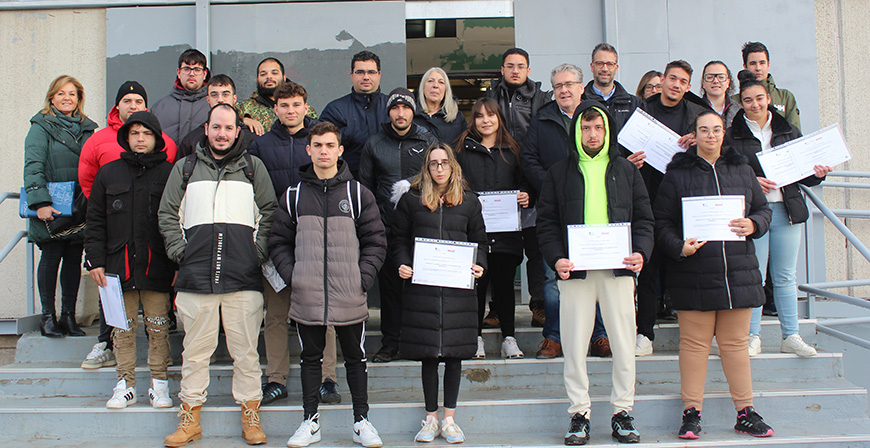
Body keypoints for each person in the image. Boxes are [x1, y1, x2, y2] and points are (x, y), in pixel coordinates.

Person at [159, 104, 277, 447]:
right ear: (206, 129)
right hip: (196, 277)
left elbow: (269, 212)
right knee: (194, 353)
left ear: (238, 131)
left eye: (228, 128)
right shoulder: (185, 168)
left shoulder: (253, 168)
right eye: (216, 127)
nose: (222, 133)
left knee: (246, 353)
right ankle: (190, 418)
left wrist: (255, 254)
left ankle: (250, 415)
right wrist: (180, 252)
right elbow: (167, 213)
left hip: (242, 278)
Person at [536, 101, 653, 445]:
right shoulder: (559, 172)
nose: (592, 134)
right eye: (585, 128)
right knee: (574, 345)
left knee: (624, 343)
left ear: (608, 131)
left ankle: (622, 411)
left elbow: (644, 219)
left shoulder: (626, 170)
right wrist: (556, 258)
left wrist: (641, 252)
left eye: (598, 127)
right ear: (576, 131)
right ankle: (579, 413)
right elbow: (546, 222)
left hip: (618, 271)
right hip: (576, 273)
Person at [654, 110, 774, 439]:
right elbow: (661, 222)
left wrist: (753, 224)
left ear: (724, 134)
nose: (710, 135)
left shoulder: (742, 169)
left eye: (716, 130)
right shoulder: (677, 175)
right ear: (693, 135)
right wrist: (679, 247)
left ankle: (745, 412)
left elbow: (763, 210)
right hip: (693, 272)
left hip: (738, 273)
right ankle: (691, 412)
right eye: (704, 130)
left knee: (735, 345)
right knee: (694, 345)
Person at [271, 121, 387, 448]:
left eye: (330, 145)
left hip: (349, 294)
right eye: (318, 145)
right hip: (307, 294)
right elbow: (278, 242)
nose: (324, 151)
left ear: (340, 150)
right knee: (310, 359)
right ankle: (310, 422)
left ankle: (361, 421)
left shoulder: (357, 194)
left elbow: (376, 241)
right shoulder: (293, 196)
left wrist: (362, 278)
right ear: (308, 150)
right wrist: (294, 277)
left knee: (355, 359)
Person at [725, 70, 831, 357]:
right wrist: (751, 180)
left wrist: (818, 173)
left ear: (769, 98)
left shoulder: (788, 130)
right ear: (741, 103)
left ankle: (791, 335)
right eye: (748, 100)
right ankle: (753, 336)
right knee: (755, 275)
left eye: (760, 98)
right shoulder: (732, 135)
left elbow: (805, 175)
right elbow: (726, 174)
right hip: (754, 214)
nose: (755, 104)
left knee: (785, 276)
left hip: (787, 210)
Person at [249, 80, 342, 405]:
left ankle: (327, 379)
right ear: (275, 108)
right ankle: (276, 378)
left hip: (316, 241)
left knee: (323, 313)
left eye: (296, 105)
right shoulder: (261, 146)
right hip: (277, 242)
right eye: (284, 105)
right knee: (275, 315)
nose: (290, 111)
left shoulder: (318, 141)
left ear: (306, 106)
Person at [391, 142, 487, 444]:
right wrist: (403, 262)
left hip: (458, 291)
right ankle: (431, 419)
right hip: (424, 291)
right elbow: (398, 238)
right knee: (429, 357)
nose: (439, 168)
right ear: (427, 168)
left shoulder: (469, 202)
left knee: (455, 356)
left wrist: (480, 264)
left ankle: (449, 419)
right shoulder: (412, 200)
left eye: (444, 162)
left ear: (453, 165)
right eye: (434, 163)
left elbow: (480, 241)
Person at [78, 80, 177, 368]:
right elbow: (95, 220)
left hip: (157, 266)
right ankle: (125, 381)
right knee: (121, 330)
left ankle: (159, 380)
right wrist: (95, 260)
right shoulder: (108, 173)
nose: (140, 139)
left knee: (158, 328)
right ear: (126, 137)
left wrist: (177, 264)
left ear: (157, 138)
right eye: (134, 133)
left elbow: (178, 221)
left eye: (147, 133)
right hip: (117, 266)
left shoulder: (170, 173)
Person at [634, 60, 711, 357]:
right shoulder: (642, 110)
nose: (676, 85)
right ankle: (645, 333)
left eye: (683, 81)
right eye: (672, 79)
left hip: (684, 203)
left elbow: (716, 150)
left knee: (689, 269)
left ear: (688, 86)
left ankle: (697, 335)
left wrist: (698, 142)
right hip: (648, 200)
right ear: (663, 80)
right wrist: (631, 162)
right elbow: (622, 150)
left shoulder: (697, 115)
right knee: (648, 271)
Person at [359, 87, 436, 363]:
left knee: (421, 289)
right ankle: (391, 343)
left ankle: (419, 342)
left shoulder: (428, 141)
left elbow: (439, 180)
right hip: (387, 228)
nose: (400, 113)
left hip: (422, 228)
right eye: (395, 108)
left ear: (413, 111)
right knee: (390, 289)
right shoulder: (374, 144)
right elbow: (365, 188)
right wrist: (373, 224)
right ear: (388, 112)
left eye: (405, 108)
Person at [24, 75, 98, 338]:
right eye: (61, 93)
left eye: (72, 94)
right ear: (52, 97)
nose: (67, 98)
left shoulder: (87, 128)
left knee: (73, 259)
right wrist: (40, 202)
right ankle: (48, 318)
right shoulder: (40, 126)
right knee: (51, 256)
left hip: (79, 204)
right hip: (52, 205)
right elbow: (34, 166)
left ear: (79, 99)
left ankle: (68, 316)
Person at [454, 98, 528, 360]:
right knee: (475, 287)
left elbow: (524, 182)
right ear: (473, 120)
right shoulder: (461, 150)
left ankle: (509, 338)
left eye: (491, 115)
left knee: (505, 286)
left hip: (506, 232)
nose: (485, 120)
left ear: (499, 118)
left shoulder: (513, 150)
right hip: (474, 232)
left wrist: (525, 194)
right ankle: (475, 338)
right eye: (479, 116)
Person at [483, 47, 550, 331]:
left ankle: (539, 305)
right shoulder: (490, 97)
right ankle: (497, 308)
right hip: (500, 183)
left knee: (535, 250)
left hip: (531, 180)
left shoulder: (541, 99)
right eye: (509, 66)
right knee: (498, 252)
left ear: (528, 70)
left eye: (520, 66)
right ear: (502, 69)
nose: (515, 71)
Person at [320, 51, 389, 177]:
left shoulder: (392, 108)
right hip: (348, 182)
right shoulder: (335, 110)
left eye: (371, 72)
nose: (366, 77)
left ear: (379, 75)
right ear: (352, 75)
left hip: (387, 183)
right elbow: (323, 147)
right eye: (360, 72)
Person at [176, 74, 257, 161]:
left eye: (225, 94)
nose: (220, 99)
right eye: (214, 95)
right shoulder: (191, 140)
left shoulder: (251, 138)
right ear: (208, 99)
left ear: (234, 98)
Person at [235, 57, 318, 136]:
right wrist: (243, 120)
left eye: (274, 73)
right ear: (257, 79)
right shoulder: (243, 108)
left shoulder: (302, 108)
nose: (269, 77)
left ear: (284, 77)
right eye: (263, 74)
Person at [736, 41, 801, 131]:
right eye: (753, 63)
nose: (758, 68)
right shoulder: (735, 100)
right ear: (745, 66)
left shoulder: (785, 97)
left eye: (762, 63)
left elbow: (795, 134)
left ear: (768, 65)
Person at [152, 48, 210, 143]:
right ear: (178, 73)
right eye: (186, 69)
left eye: (197, 69)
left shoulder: (213, 105)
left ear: (204, 74)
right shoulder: (158, 108)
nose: (191, 74)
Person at [581, 43, 642, 134]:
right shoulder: (581, 101)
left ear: (616, 68)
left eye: (610, 64)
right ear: (592, 67)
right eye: (599, 63)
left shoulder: (634, 104)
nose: (605, 69)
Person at [413, 67, 468, 144]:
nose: (435, 85)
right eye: (430, 81)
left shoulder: (457, 117)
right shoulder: (411, 115)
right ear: (423, 87)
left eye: (441, 82)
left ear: (446, 89)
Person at [700, 61, 740, 128]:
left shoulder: (738, 110)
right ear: (703, 82)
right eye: (710, 77)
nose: (715, 81)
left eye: (721, 77)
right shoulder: (694, 109)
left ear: (728, 82)